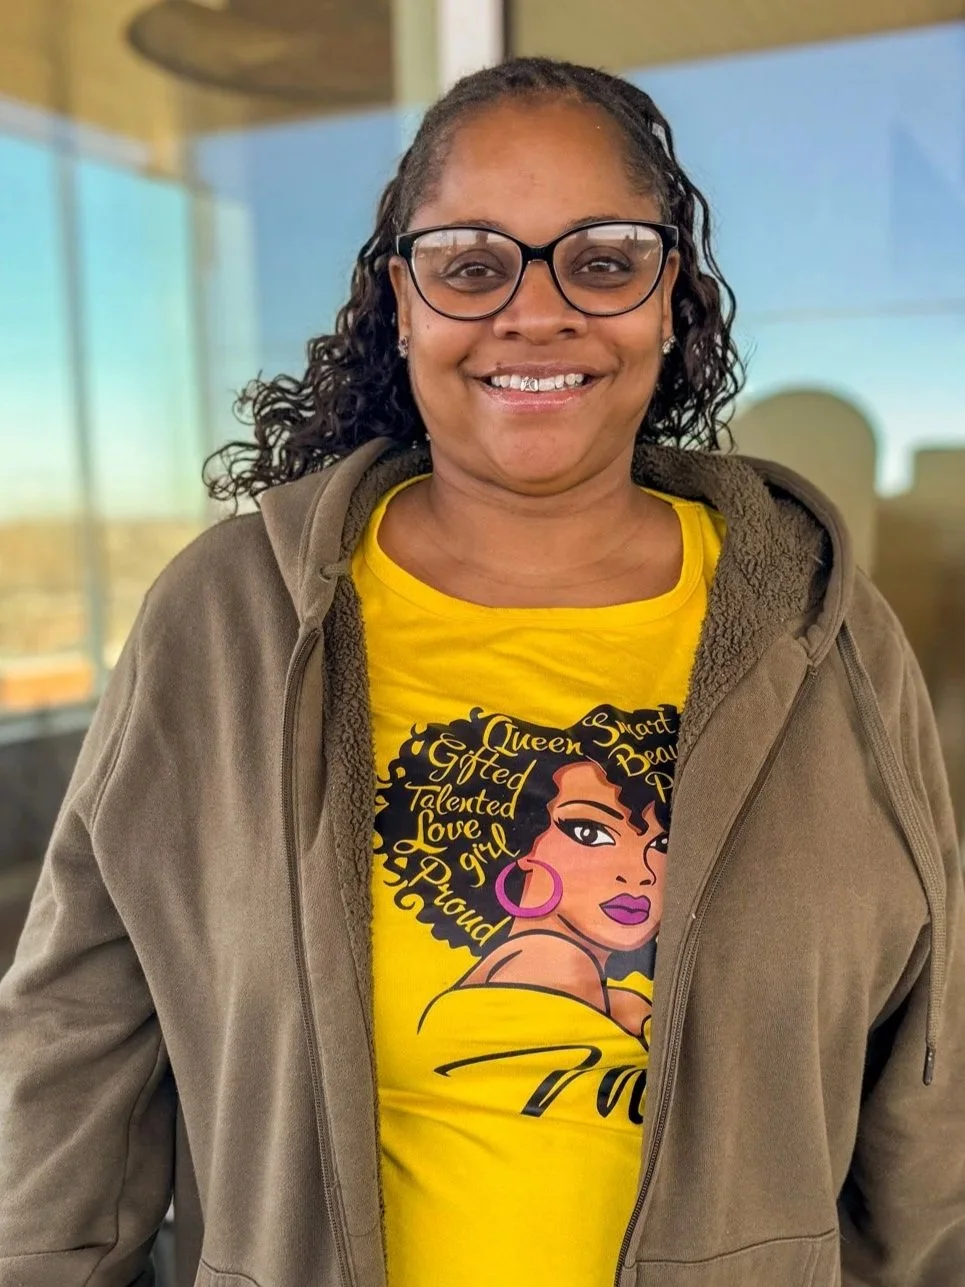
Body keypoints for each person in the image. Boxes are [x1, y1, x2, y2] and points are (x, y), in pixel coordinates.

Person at [0, 54, 962, 1287]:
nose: (536, 311)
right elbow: (78, 1027)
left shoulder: (825, 629)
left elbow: (925, 1060)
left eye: (601, 260)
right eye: (470, 265)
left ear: (669, 297)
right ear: (400, 304)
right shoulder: (224, 620)